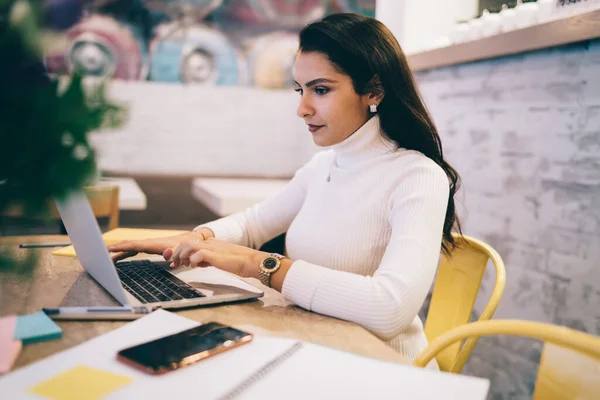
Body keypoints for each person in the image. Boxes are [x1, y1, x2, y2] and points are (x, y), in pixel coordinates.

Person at [108, 13, 462, 365]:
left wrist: (258, 265)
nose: (302, 109)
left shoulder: (417, 176)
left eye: (320, 90)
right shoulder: (325, 165)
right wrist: (196, 238)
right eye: (300, 89)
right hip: (315, 348)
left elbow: (390, 309)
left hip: (381, 369)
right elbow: (253, 224)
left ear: (374, 90)